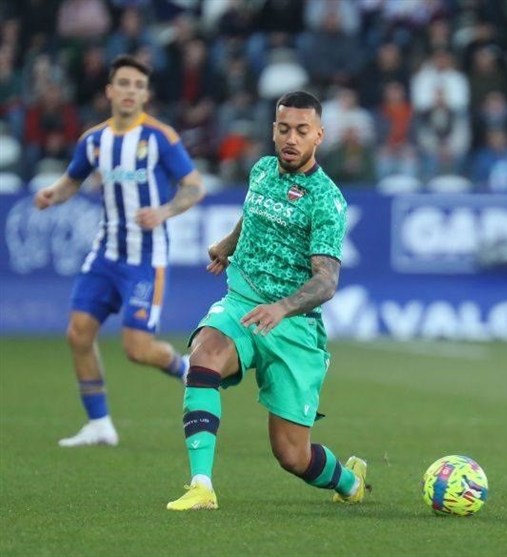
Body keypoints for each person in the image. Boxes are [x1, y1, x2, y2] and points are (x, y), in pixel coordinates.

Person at [166, 91, 368, 511]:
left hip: (293, 327)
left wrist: (281, 308)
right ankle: (201, 485)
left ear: (319, 136)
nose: (291, 139)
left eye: (302, 131)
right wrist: (227, 244)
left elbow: (326, 281)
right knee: (203, 358)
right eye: (284, 129)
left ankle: (350, 482)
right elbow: (254, 213)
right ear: (274, 130)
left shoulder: (326, 199)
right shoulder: (261, 170)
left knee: (292, 455)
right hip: (242, 303)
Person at [34, 55, 205, 447]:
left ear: (145, 95)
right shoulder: (94, 141)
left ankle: (185, 368)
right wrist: (52, 195)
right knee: (78, 334)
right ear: (110, 91)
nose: (131, 91)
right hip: (105, 253)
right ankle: (99, 424)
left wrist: (164, 211)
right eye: (124, 84)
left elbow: (194, 186)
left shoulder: (160, 137)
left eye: (138, 86)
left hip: (145, 258)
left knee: (137, 349)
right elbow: (72, 180)